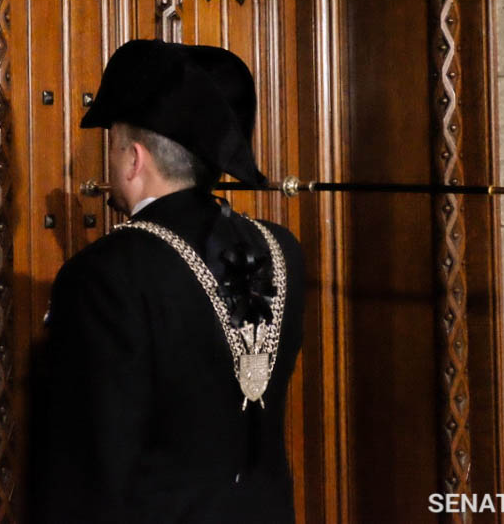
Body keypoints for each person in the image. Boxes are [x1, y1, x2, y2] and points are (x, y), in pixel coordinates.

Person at [32, 39, 305, 523]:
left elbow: (88, 466)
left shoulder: (103, 274)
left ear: (134, 159)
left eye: (112, 148)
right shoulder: (282, 249)